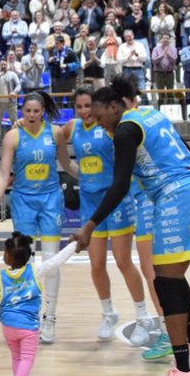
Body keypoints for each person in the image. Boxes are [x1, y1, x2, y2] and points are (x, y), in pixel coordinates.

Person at [70, 77, 190, 376]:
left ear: (114, 107)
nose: (99, 124)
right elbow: (188, 152)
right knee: (172, 276)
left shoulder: (125, 130)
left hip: (177, 195)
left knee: (165, 282)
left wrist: (89, 225)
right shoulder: (151, 114)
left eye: (99, 117)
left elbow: (119, 185)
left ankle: (184, 368)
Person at [61, 88, 156, 345]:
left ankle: (143, 317)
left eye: (88, 106)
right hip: (89, 202)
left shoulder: (110, 126)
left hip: (116, 199)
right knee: (96, 264)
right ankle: (108, 313)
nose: (84, 111)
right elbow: (52, 138)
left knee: (124, 261)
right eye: (79, 106)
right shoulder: (71, 127)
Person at [0, 91, 75, 343]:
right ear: (21, 112)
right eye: (28, 111)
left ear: (43, 111)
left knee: (51, 259)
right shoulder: (12, 136)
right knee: (24, 263)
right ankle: (28, 315)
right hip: (23, 200)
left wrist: (94, 181)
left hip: (50, 199)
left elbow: (67, 164)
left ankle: (50, 317)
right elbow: (4, 174)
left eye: (36, 111)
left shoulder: (55, 133)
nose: (32, 115)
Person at [0, 232, 77, 376]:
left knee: (16, 358)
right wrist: (74, 244)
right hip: (28, 327)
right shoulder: (34, 270)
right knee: (27, 358)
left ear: (8, 256)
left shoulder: (1, 276)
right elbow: (56, 261)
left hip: (8, 327)